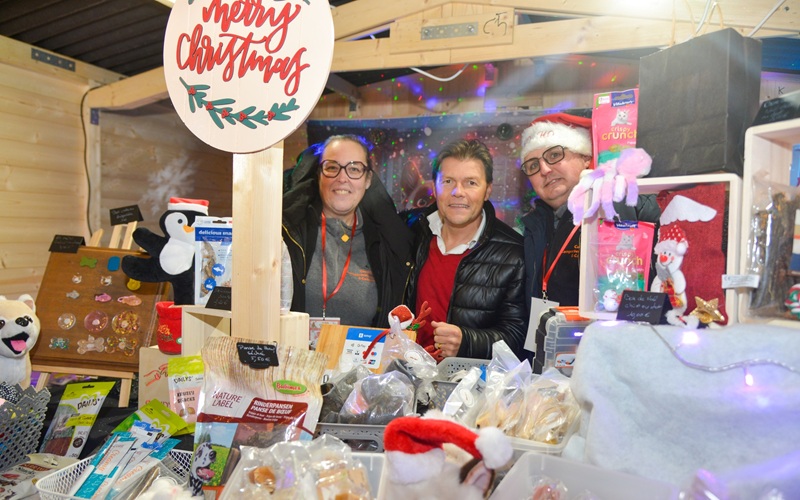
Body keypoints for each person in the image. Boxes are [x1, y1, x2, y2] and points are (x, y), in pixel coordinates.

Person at [519, 112, 660, 307]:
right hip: (552, 325)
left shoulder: (630, 202)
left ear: (586, 157)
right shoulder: (533, 228)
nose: (544, 170)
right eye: (533, 165)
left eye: (554, 155)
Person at [405, 139, 527, 360]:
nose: (458, 192)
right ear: (434, 188)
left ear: (487, 190)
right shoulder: (412, 232)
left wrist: (467, 342)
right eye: (448, 181)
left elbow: (518, 337)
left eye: (471, 182)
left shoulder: (514, 253)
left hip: (471, 380)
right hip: (407, 372)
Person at [282, 134, 414, 329]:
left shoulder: (387, 244)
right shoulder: (288, 233)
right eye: (332, 167)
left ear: (368, 180)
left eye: (354, 169)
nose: (342, 178)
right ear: (319, 175)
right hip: (295, 349)